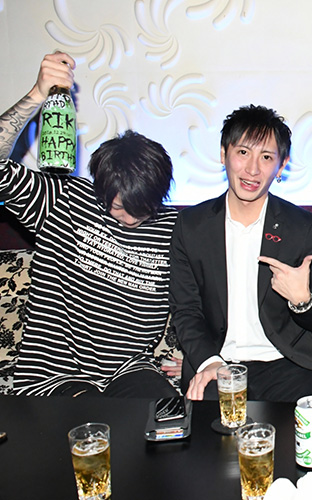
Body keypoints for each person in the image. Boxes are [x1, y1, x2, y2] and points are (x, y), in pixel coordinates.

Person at [0, 52, 180, 397]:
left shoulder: (176, 227)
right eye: (119, 208)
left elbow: (211, 289)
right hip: (55, 375)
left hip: (129, 371)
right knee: (94, 423)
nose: (130, 219)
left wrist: (204, 357)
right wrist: (37, 94)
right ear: (101, 189)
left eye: (142, 210)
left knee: (169, 420)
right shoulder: (63, 199)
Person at [169, 104, 312, 403]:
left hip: (284, 364)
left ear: (281, 165)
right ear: (224, 154)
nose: (252, 169)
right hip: (219, 363)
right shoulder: (192, 226)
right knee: (212, 423)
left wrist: (301, 300)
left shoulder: (301, 227)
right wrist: (207, 361)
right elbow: (186, 310)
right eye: (243, 152)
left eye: (266, 157)